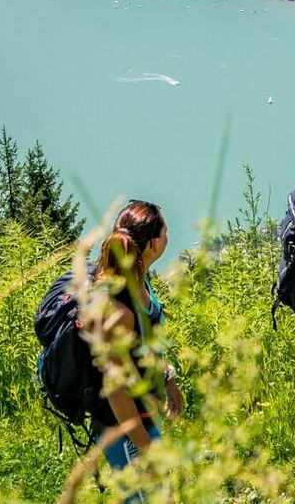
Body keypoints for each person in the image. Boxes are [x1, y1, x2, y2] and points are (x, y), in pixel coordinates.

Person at [89, 200, 184, 497]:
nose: (168, 238)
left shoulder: (141, 284)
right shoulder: (117, 307)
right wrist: (145, 446)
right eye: (165, 232)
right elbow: (115, 390)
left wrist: (168, 378)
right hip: (124, 429)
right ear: (154, 243)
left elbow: (147, 345)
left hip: (144, 419)